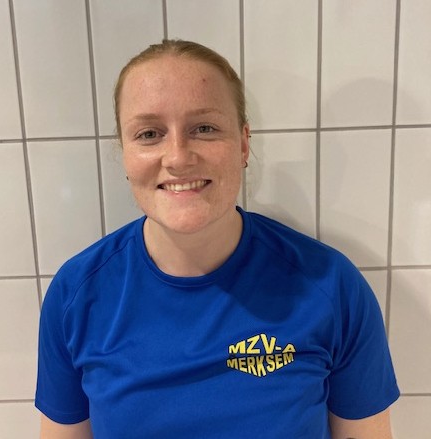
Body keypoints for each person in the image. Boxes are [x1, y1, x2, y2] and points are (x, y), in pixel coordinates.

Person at [35, 39, 399, 439]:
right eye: (149, 133)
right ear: (124, 153)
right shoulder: (76, 295)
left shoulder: (331, 285)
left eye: (204, 128)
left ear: (243, 144)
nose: (178, 157)